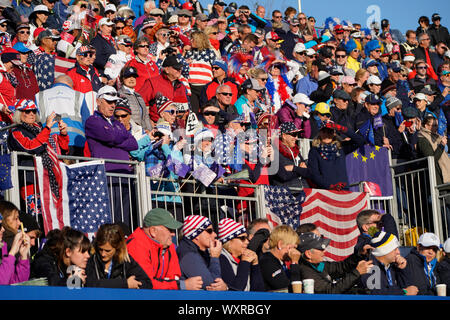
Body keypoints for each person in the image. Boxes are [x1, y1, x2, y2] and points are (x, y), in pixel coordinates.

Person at [126, 208, 203, 290]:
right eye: (170, 229)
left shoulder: (168, 245)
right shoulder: (136, 245)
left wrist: (174, 284)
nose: (173, 234)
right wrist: (181, 285)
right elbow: (146, 283)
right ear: (153, 231)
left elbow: (174, 277)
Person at [298, 232, 373, 294]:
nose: (325, 251)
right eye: (320, 249)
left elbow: (340, 267)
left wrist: (359, 255)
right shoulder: (306, 272)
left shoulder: (317, 264)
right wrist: (357, 272)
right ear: (308, 254)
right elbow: (331, 291)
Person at [36, 75, 90, 157]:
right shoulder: (79, 95)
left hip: (49, 142)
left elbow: (35, 120)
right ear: (71, 85)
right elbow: (87, 122)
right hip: (76, 142)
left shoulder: (40, 96)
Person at [85, 223, 152, 289]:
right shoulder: (90, 259)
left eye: (108, 251)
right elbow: (89, 283)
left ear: (117, 247)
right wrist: (125, 284)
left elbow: (147, 283)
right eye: (100, 249)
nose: (103, 254)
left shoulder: (125, 260)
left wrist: (134, 285)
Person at [307, 120, 365, 191]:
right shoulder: (314, 151)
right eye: (324, 132)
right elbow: (314, 174)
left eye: (330, 132)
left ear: (334, 133)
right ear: (320, 133)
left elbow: (360, 141)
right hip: (325, 191)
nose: (327, 135)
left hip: (343, 190)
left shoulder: (341, 147)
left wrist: (341, 128)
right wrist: (330, 186)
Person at [176, 215, 228, 291]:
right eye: (209, 231)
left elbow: (218, 285)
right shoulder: (188, 253)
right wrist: (215, 257)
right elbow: (212, 284)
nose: (215, 235)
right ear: (196, 234)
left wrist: (225, 287)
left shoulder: (201, 252)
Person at [359, 231, 418, 295]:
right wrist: (403, 292)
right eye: (395, 249)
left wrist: (402, 269)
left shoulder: (392, 266)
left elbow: (409, 288)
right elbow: (375, 293)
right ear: (384, 251)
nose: (398, 252)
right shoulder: (369, 266)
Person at [218, 218, 265, 291]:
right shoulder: (221, 258)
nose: (247, 242)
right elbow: (236, 290)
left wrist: (255, 265)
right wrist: (244, 263)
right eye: (242, 238)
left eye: (247, 238)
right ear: (229, 241)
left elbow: (259, 291)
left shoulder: (242, 258)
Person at [138, 55, 188, 124]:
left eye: (180, 68)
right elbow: (139, 103)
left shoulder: (181, 86)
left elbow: (185, 109)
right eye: (176, 68)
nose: (179, 70)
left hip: (178, 126)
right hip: (158, 125)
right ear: (167, 69)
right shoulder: (153, 83)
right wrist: (148, 121)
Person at [259, 225, 301, 292]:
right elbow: (284, 287)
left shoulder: (280, 262)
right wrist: (294, 263)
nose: (295, 252)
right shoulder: (267, 261)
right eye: (292, 248)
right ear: (280, 244)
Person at [269, 122, 311, 189]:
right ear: (284, 136)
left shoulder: (296, 151)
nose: (296, 138)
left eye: (297, 135)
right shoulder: (275, 151)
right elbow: (283, 176)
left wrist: (293, 168)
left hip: (303, 190)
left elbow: (306, 171)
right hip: (286, 193)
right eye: (294, 134)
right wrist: (299, 170)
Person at [417, 115, 450, 187]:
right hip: (436, 179)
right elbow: (431, 159)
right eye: (434, 125)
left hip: (443, 178)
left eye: (437, 125)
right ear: (426, 126)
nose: (436, 128)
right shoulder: (422, 139)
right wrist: (441, 146)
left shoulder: (436, 137)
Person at [0, 210, 31, 285]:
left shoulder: (2, 247)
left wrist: (23, 257)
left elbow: (16, 284)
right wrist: (12, 253)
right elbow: (2, 283)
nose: (3, 229)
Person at [117, 66, 152, 131]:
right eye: (128, 77)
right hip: (131, 132)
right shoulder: (120, 95)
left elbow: (146, 117)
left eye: (133, 77)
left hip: (143, 132)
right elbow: (123, 118)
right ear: (122, 79)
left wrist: (150, 131)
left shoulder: (138, 96)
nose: (132, 79)